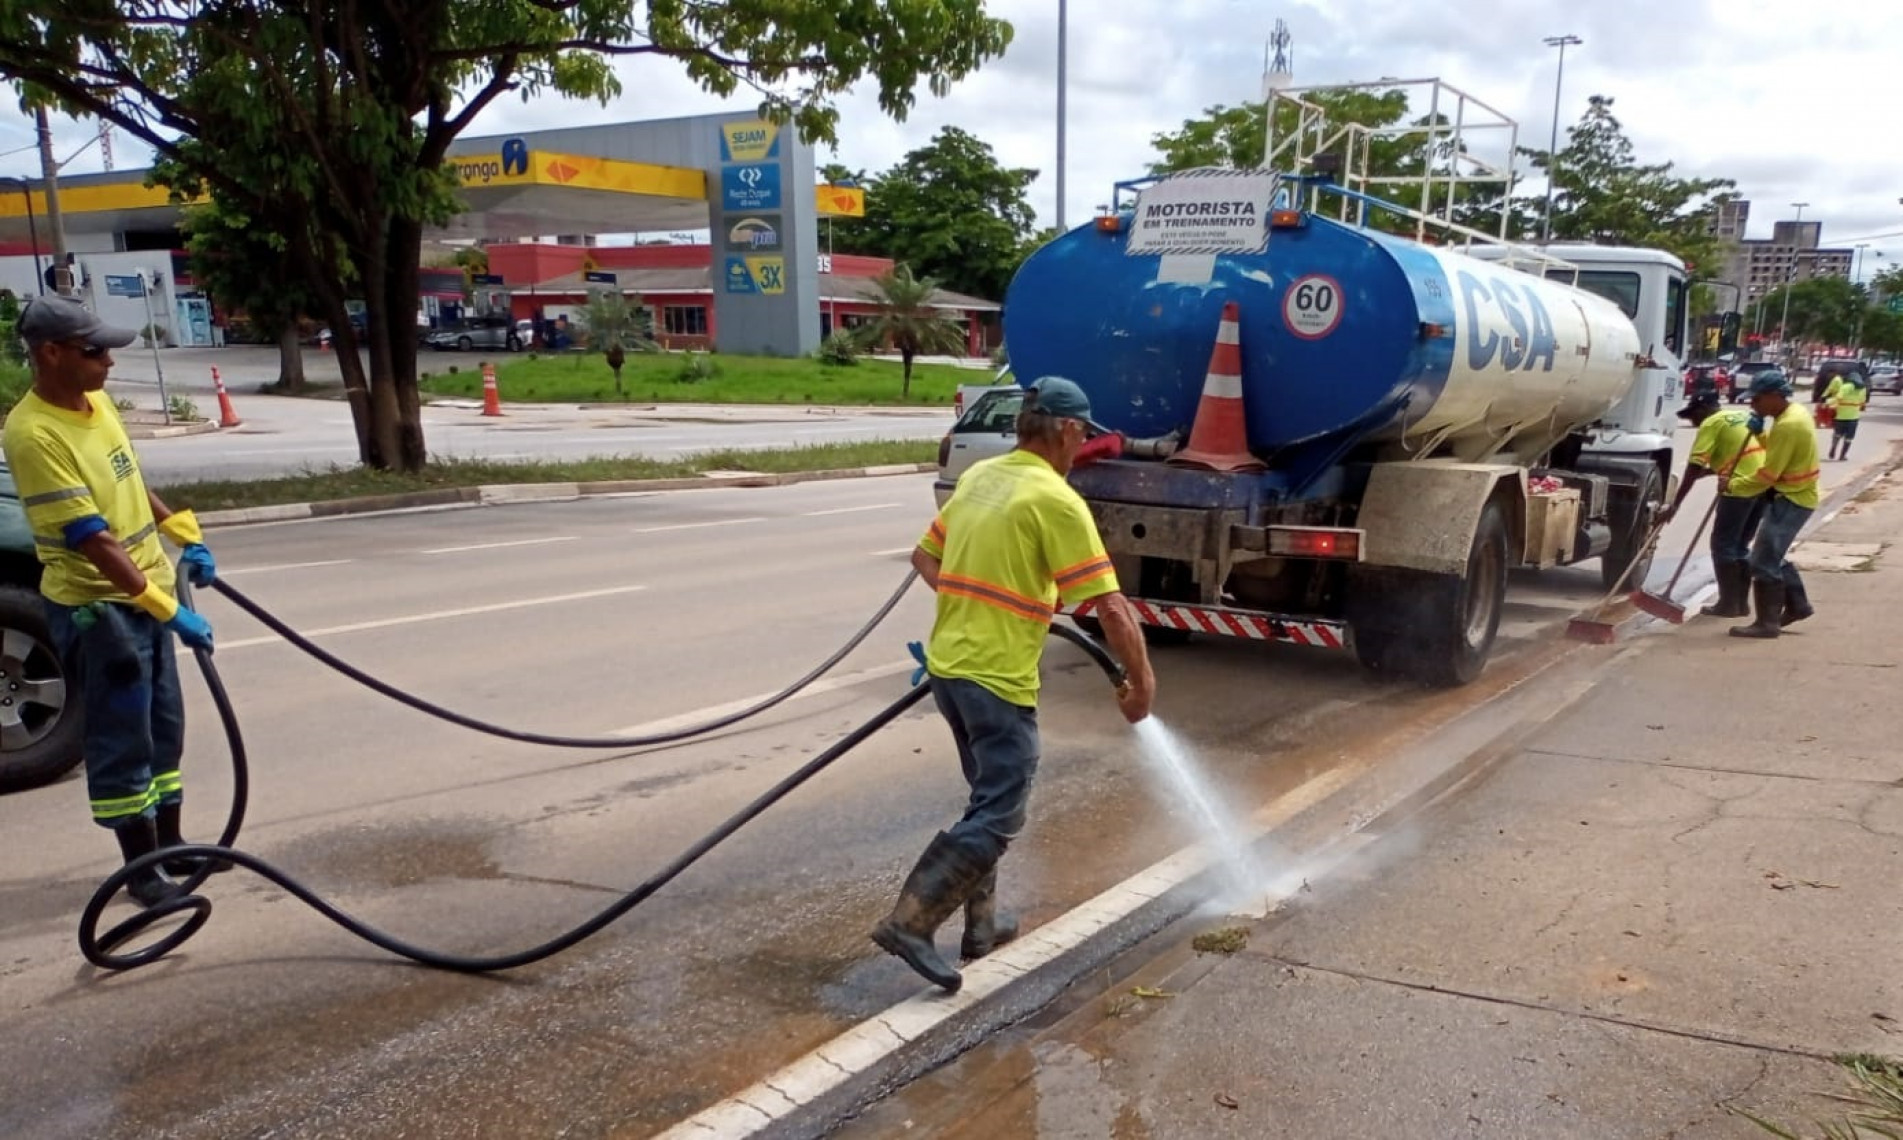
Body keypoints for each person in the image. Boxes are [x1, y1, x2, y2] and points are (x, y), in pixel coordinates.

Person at [873, 376, 1156, 994]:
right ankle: (911, 921)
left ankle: (983, 925)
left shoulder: (981, 477)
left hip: (949, 670)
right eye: (1082, 432)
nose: (1082, 443)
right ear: (1065, 429)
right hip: (996, 679)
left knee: (983, 798)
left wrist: (973, 609)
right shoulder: (1055, 500)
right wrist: (1141, 684)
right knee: (1000, 813)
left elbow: (925, 559)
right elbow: (1109, 607)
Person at [1, 296, 220, 907]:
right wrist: (166, 608)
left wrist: (183, 534)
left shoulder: (95, 405)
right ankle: (142, 871)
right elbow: (90, 538)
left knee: (163, 728)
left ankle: (172, 845)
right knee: (123, 738)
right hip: (98, 611)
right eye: (94, 351)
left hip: (142, 598)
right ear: (50, 353)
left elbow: (129, 480)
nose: (109, 362)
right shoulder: (33, 433)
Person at [1727, 369, 1819, 638]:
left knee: (1762, 560)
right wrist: (1761, 436)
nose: (1752, 405)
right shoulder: (1793, 414)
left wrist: (1732, 486)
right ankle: (1798, 606)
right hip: (1795, 494)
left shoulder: (1788, 425)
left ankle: (1767, 623)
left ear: (1775, 396)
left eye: (1757, 399)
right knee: (1771, 555)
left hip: (1792, 498)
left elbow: (1768, 475)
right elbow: (1780, 454)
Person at [1661, 390, 1767, 618]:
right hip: (1761, 485)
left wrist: (1675, 504)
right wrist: (1712, 471)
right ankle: (1740, 603)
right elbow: (1741, 452)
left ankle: (1728, 604)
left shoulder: (1710, 423)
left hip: (1738, 489)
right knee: (1740, 546)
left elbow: (1693, 466)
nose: (1693, 422)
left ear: (1703, 410)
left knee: (1723, 545)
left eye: (1693, 416)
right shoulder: (1739, 416)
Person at [1821, 368, 1868, 461]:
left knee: (1837, 434)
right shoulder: (1863, 388)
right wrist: (1861, 406)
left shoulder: (1845, 386)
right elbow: (1863, 402)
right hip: (1854, 418)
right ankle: (1842, 455)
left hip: (1841, 416)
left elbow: (1838, 398)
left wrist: (1826, 402)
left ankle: (1833, 448)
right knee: (1849, 438)